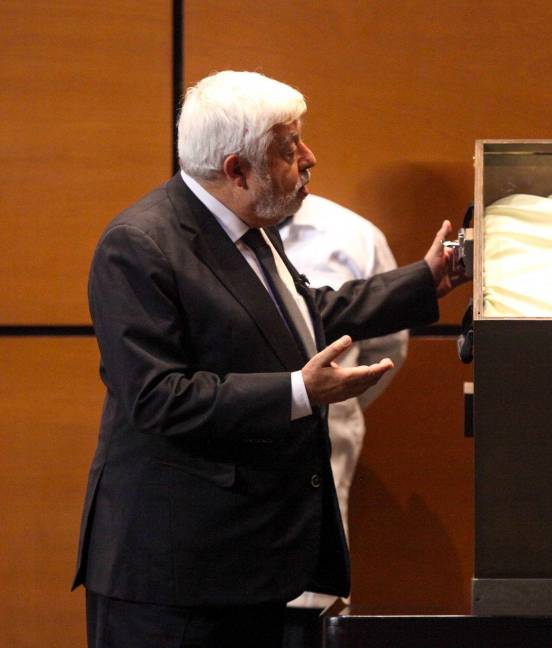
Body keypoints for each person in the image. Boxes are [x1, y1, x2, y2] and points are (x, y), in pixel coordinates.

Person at [73, 70, 466, 647]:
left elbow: (304, 314)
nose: (310, 158)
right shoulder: (138, 245)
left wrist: (424, 281)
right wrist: (299, 392)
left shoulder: (249, 224)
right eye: (289, 148)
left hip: (245, 563)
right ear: (237, 170)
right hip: (173, 579)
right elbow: (158, 397)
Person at [278, 198, 408, 621]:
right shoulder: (190, 237)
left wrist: (332, 407)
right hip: (214, 496)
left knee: (309, 620)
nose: (307, 165)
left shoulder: (355, 236)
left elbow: (386, 349)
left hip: (318, 475)